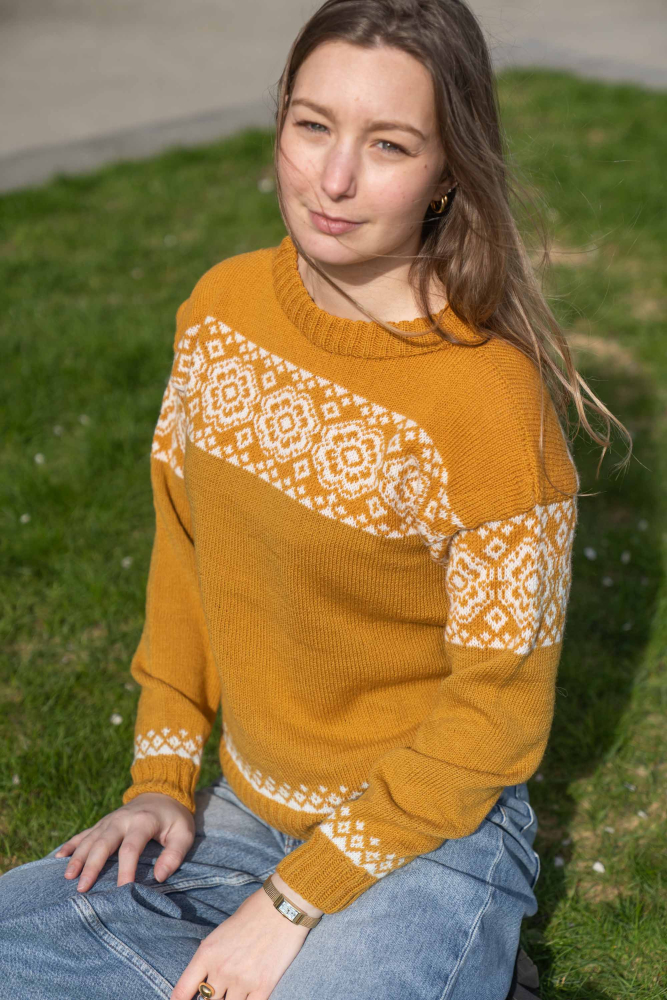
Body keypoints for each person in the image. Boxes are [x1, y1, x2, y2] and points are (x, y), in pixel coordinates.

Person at [0, 1, 631, 998]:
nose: (333, 180)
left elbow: (494, 718)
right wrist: (160, 782)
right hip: (241, 818)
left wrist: (293, 902)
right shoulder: (220, 312)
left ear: (447, 173)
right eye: (312, 125)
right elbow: (187, 555)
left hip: (429, 836)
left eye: (388, 145)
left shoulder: (489, 406)